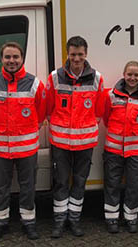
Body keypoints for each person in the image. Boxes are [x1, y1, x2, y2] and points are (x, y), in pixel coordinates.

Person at [0, 42, 46, 241]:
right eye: (7, 57)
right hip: (1, 148)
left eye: (15, 57)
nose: (12, 61)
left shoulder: (35, 84)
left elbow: (41, 112)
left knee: (28, 186)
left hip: (27, 148)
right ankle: (0, 223)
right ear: (1, 59)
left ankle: (29, 222)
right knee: (1, 187)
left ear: (22, 59)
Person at [46, 36, 104, 238]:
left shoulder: (96, 78)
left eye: (80, 54)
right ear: (67, 54)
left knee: (79, 181)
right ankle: (60, 221)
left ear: (86, 54)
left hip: (85, 142)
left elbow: (98, 111)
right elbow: (48, 109)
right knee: (61, 181)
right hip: (60, 142)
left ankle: (74, 219)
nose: (76, 58)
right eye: (73, 54)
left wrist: (84, 128)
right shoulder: (55, 77)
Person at [101, 61, 138, 234]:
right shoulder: (111, 95)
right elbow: (106, 118)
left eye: (136, 75)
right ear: (124, 75)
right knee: (112, 184)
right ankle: (111, 218)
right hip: (114, 149)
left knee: (134, 185)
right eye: (129, 74)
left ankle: (131, 218)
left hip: (137, 151)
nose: (132, 78)